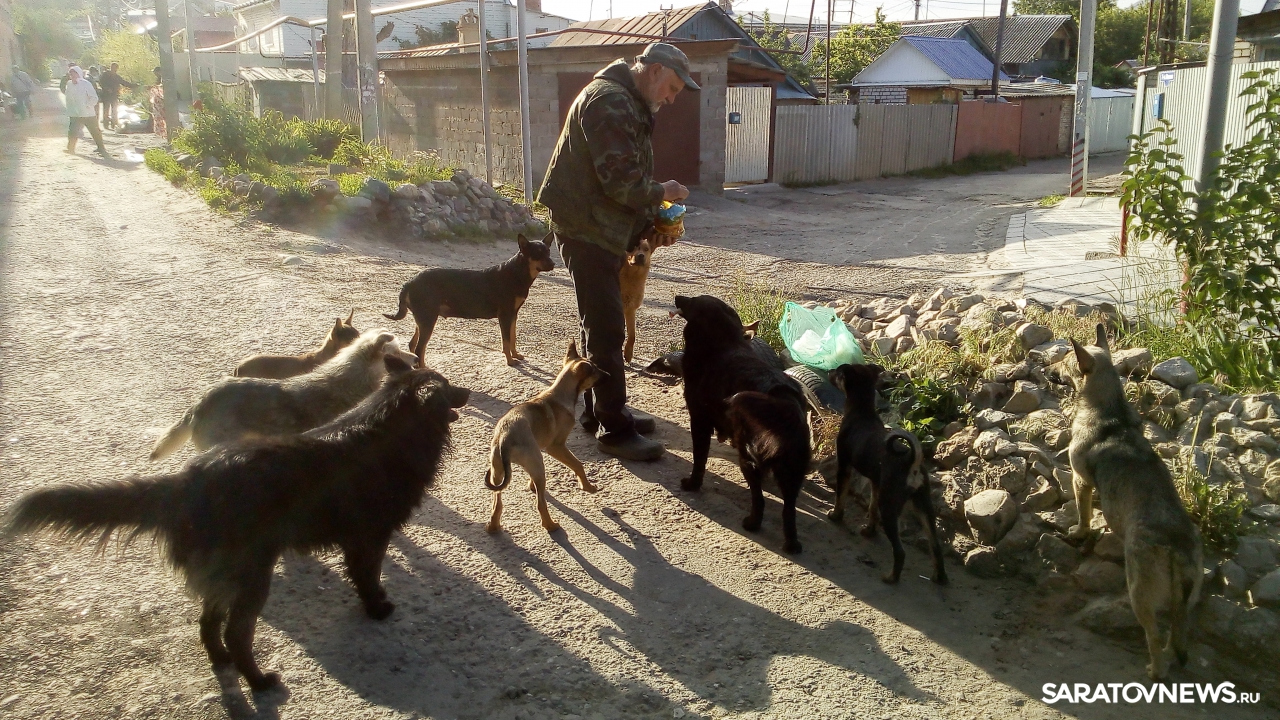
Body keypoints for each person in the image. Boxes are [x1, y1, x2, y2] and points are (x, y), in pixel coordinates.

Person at [536, 42, 696, 461]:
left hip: (598, 226)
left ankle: (597, 411)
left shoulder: (627, 100)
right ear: (654, 70)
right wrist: (665, 191)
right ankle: (614, 427)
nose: (672, 98)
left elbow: (623, 181)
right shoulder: (609, 101)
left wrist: (650, 228)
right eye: (672, 87)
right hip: (585, 229)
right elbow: (622, 183)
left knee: (600, 325)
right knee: (607, 328)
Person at [63, 66, 109, 157]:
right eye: (71, 73)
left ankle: (101, 148)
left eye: (74, 73)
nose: (72, 75)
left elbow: (94, 97)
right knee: (72, 131)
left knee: (94, 131)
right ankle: (70, 148)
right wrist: (70, 108)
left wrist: (87, 105)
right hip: (74, 113)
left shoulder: (86, 84)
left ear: (79, 74)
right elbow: (69, 98)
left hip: (87, 113)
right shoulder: (69, 84)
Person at [98, 62, 136, 129]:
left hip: (114, 95)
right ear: (111, 67)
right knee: (106, 110)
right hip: (106, 95)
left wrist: (134, 86)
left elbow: (124, 83)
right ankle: (106, 124)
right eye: (113, 67)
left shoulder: (117, 77)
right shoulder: (105, 75)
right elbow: (101, 82)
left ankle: (114, 124)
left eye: (115, 68)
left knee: (114, 110)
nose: (114, 69)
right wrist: (107, 88)